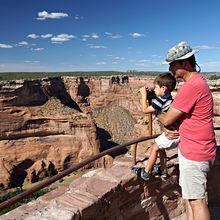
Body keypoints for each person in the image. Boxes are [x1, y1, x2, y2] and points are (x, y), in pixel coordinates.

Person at [158, 41, 217, 220]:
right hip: (197, 148)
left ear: (185, 63)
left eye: (172, 64)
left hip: (195, 152)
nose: (170, 68)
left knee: (197, 202)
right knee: (191, 200)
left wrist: (159, 114)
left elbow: (167, 118)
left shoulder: (191, 86)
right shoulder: (198, 81)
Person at [131, 72, 179, 181]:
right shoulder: (168, 98)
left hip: (172, 134)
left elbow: (145, 110)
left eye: (156, 87)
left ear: (163, 88)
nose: (154, 89)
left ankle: (146, 172)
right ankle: (163, 171)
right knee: (161, 148)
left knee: (155, 147)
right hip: (175, 133)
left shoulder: (161, 100)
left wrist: (143, 96)